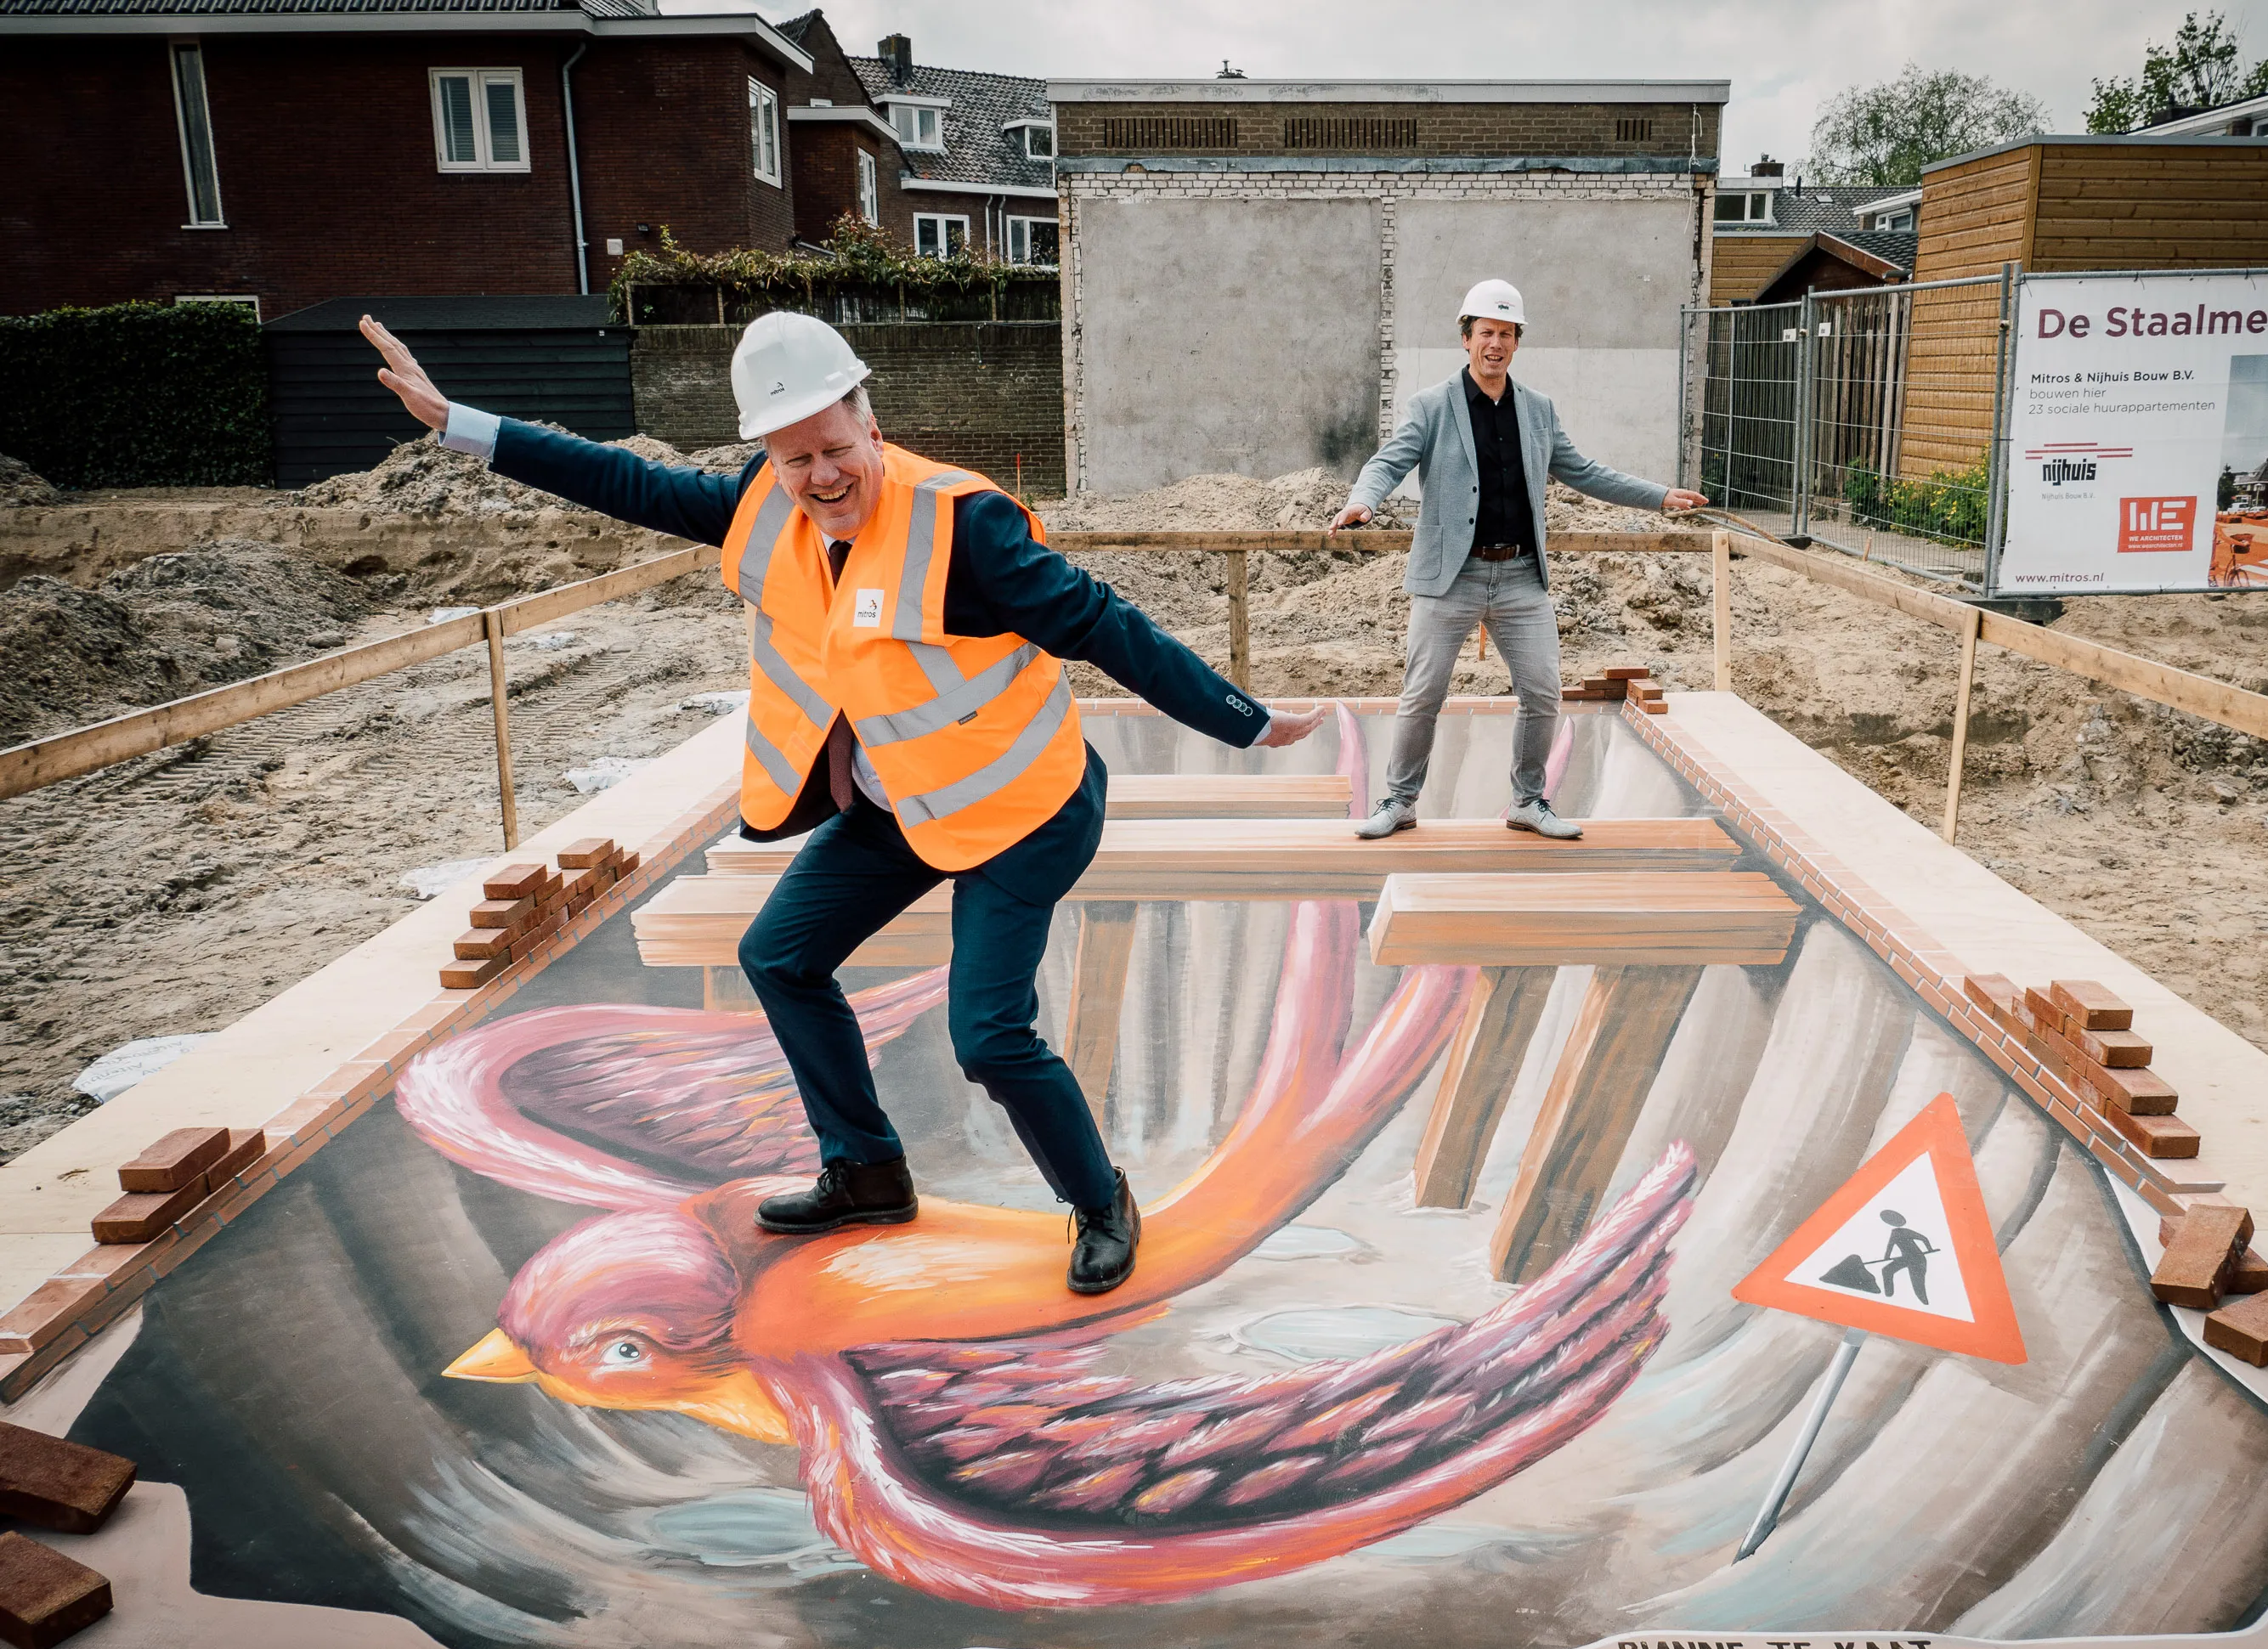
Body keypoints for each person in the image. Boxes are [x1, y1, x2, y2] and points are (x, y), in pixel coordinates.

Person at [359, 311, 1326, 1297]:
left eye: (833, 449)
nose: (819, 478)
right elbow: (626, 482)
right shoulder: (764, 506)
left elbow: (1104, 626)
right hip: (900, 803)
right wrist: (458, 424)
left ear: (871, 424)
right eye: (792, 459)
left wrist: (1243, 721)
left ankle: (1100, 1201)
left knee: (987, 1037)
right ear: (766, 458)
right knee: (777, 954)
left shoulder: (964, 525)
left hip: (1020, 809)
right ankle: (864, 1169)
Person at [1326, 279, 1708, 841]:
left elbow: (1585, 471)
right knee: (1423, 693)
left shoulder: (1537, 411)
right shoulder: (1431, 406)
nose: (1495, 344)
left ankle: (1528, 800)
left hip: (1520, 578)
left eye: (1506, 334)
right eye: (1485, 333)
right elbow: (1389, 462)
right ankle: (1399, 801)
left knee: (1541, 690)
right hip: (1448, 577)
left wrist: (1657, 495)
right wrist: (1363, 499)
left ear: (1516, 341)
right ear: (1466, 338)